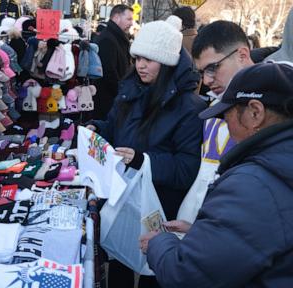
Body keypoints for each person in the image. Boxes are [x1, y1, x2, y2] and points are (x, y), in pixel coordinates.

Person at [140, 62, 293, 287]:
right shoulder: (275, 169)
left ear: (255, 112)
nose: (225, 125)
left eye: (226, 116)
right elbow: (264, 237)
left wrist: (159, 243)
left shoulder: (253, 184)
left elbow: (185, 275)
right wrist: (205, 234)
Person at [88, 15, 205, 288]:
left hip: (159, 208)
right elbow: (115, 129)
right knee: (118, 261)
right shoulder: (130, 90)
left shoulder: (189, 107)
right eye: (137, 57)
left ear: (166, 63)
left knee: (153, 273)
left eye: (148, 59)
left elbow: (187, 168)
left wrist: (144, 161)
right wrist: (98, 129)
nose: (140, 65)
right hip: (123, 198)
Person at [172, 21, 254, 230]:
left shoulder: (274, 111)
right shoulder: (214, 106)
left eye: (212, 68)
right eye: (201, 72)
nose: (207, 80)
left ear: (242, 55)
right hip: (202, 230)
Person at [93, 4, 134, 120]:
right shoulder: (107, 39)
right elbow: (108, 73)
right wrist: (123, 94)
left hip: (113, 101)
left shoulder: (117, 38)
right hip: (107, 103)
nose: (131, 23)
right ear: (116, 17)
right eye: (129, 19)